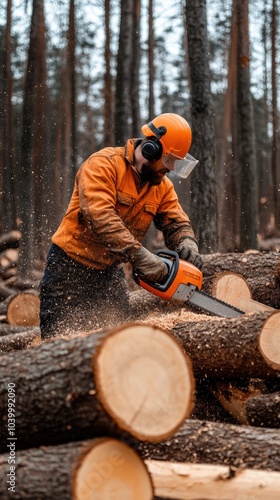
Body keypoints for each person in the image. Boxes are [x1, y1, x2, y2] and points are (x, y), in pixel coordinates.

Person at [39, 112, 202, 339]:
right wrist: (140, 256)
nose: (171, 169)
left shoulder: (162, 186)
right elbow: (100, 216)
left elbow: (176, 220)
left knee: (121, 339)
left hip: (108, 273)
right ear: (150, 149)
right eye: (169, 160)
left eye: (176, 162)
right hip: (69, 269)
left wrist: (187, 242)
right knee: (58, 342)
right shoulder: (103, 165)